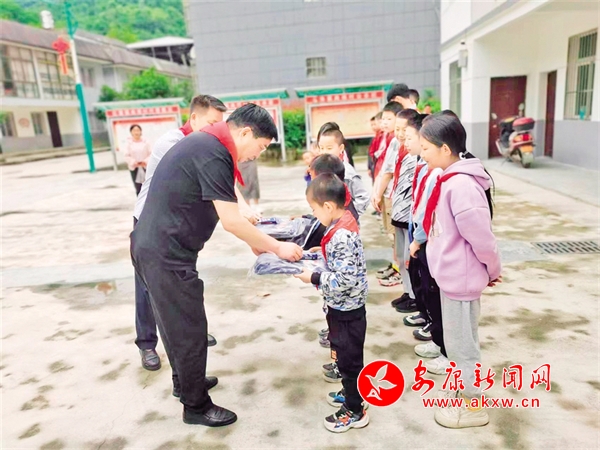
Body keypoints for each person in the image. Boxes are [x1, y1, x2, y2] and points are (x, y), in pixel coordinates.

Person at [131, 104, 303, 427]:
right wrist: (277, 247)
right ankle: (195, 407)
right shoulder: (214, 152)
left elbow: (229, 209)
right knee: (190, 329)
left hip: (156, 247)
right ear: (245, 133)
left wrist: (255, 242)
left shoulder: (208, 144)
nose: (257, 155)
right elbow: (231, 221)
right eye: (260, 147)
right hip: (165, 253)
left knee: (175, 325)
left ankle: (186, 383)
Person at [132, 95, 254, 372]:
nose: (217, 129)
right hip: (151, 221)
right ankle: (147, 343)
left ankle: (187, 334)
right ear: (194, 118)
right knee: (150, 289)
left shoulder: (207, 144)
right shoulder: (176, 142)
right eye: (212, 123)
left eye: (219, 123)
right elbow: (214, 179)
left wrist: (245, 208)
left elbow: (223, 181)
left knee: (181, 286)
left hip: (177, 224)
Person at [419, 113, 501, 429]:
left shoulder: (462, 186)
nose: (422, 154)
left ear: (445, 148)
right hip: (452, 278)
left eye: (426, 148)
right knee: (457, 344)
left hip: (461, 280)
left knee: (463, 347)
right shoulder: (449, 179)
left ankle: (473, 406)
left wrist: (492, 270)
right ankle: (462, 391)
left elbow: (483, 239)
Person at [294, 173, 369, 433]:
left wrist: (313, 277)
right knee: (344, 355)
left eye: (314, 209)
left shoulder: (342, 236)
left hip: (347, 310)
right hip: (341, 307)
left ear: (328, 206)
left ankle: (355, 410)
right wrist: (322, 253)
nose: (314, 215)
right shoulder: (341, 224)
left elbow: (345, 279)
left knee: (349, 361)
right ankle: (351, 393)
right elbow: (341, 263)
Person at [402, 114, 449, 361]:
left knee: (436, 295)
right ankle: (439, 340)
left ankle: (445, 349)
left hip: (431, 241)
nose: (422, 151)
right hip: (422, 236)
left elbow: (429, 214)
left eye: (425, 146)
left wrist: (418, 239)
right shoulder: (429, 170)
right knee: (428, 291)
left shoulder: (441, 175)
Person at [372, 101, 403, 284]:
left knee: (396, 236)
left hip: (391, 194)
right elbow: (382, 169)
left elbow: (388, 172)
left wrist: (378, 193)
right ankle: (396, 266)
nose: (384, 122)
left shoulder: (396, 141)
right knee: (392, 235)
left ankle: (399, 270)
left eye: (388, 119)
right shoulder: (388, 139)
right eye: (383, 119)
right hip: (386, 193)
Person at [317, 128, 369, 217]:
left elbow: (363, 197)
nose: (324, 152)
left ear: (341, 148)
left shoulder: (347, 172)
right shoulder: (322, 169)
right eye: (321, 148)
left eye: (329, 148)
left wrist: (348, 215)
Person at [123, 124, 151, 195]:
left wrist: (145, 161)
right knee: (138, 187)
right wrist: (134, 162)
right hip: (134, 168)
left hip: (145, 167)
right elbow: (126, 155)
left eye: (138, 130)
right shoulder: (129, 143)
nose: (136, 132)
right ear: (131, 132)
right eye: (134, 130)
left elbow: (151, 153)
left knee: (148, 186)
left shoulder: (146, 142)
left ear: (141, 131)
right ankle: (139, 200)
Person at [367, 112, 383, 184]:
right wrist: (369, 167)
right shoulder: (374, 138)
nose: (373, 127)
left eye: (375, 124)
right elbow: (370, 154)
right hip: (374, 166)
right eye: (372, 125)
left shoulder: (382, 137)